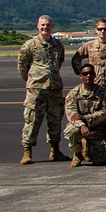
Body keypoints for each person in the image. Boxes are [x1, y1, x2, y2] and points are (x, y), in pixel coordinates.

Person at [17, 15, 67, 164]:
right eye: (43, 25)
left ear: (52, 27)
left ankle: (55, 149)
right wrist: (33, 80)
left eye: (48, 25)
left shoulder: (58, 45)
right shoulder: (29, 45)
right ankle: (27, 151)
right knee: (32, 120)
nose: (46, 27)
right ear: (38, 26)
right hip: (37, 90)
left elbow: (60, 62)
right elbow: (22, 67)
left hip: (54, 89)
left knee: (55, 120)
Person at [64, 64, 106, 167]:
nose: (88, 76)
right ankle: (77, 153)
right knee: (72, 130)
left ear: (95, 75)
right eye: (85, 74)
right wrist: (82, 125)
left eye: (90, 73)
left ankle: (87, 147)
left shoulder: (102, 93)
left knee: (101, 160)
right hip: (79, 127)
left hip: (96, 128)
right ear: (80, 76)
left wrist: (86, 118)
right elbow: (71, 114)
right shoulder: (74, 93)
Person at [70, 18, 106, 98]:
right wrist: (82, 74)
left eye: (105, 29)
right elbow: (76, 59)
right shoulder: (89, 45)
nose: (102, 31)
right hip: (94, 84)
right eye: (100, 29)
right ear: (96, 30)